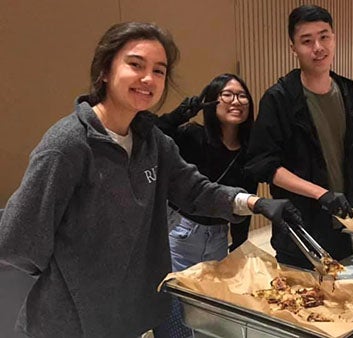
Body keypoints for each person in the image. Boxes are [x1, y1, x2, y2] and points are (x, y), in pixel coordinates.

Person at [0, 22, 303, 338]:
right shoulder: (69, 143)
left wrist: (255, 202)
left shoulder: (152, 142)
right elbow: (19, 240)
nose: (149, 78)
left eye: (159, 70)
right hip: (67, 322)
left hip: (125, 315)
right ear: (104, 70)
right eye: (135, 64)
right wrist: (71, 275)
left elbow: (195, 190)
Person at [245, 4, 353, 269]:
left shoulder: (351, 93)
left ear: (334, 38)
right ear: (293, 47)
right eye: (307, 40)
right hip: (300, 227)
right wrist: (321, 194)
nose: (318, 47)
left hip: (347, 226)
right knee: (303, 303)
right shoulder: (279, 99)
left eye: (324, 36)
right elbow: (264, 165)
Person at [152, 74, 257, 338]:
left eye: (242, 95)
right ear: (211, 101)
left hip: (219, 234)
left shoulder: (249, 149)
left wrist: (240, 243)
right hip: (182, 230)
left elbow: (246, 199)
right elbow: (151, 133)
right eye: (227, 94)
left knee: (208, 308)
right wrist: (179, 115)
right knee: (175, 305)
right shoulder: (192, 135)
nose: (237, 101)